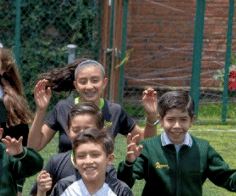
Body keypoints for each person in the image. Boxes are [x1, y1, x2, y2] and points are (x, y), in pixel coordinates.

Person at [27, 58, 158, 152]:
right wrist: (41, 110)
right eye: (83, 81)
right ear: (76, 85)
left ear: (104, 83)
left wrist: (151, 115)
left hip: (100, 179)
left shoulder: (115, 111)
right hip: (66, 178)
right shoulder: (63, 108)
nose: (89, 86)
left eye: (95, 80)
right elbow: (34, 147)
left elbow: (147, 142)